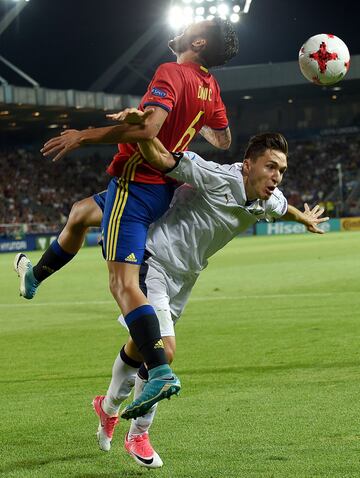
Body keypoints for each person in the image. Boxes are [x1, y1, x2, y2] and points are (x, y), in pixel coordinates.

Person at [14, 19, 239, 420]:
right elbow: (223, 139)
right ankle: (34, 278)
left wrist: (85, 135)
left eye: (195, 25)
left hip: (134, 184)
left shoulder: (172, 72)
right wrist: (181, 126)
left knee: (122, 283)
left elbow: (148, 129)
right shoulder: (211, 86)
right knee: (81, 213)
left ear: (199, 41)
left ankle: (161, 370)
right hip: (161, 187)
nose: (186, 25)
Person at [90, 123, 329, 468]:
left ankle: (107, 407)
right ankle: (139, 433)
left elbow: (282, 207)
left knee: (139, 344)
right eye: (271, 166)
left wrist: (302, 217)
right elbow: (164, 158)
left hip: (184, 277)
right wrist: (142, 128)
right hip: (152, 260)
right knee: (164, 351)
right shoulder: (215, 176)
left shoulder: (269, 198)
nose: (277, 176)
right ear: (248, 165)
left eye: (282, 170)